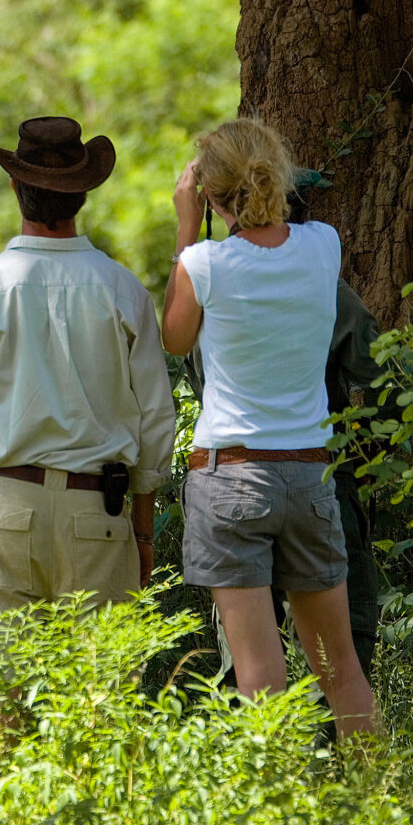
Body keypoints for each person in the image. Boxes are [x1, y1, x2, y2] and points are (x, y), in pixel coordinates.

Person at [0, 116, 175, 749]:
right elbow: (155, 419)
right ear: (84, 195)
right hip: (100, 509)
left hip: (5, 505)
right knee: (101, 701)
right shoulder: (123, 290)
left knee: (6, 698)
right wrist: (143, 529)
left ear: (18, 192)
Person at [162, 117, 378, 739]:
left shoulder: (202, 263)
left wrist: (184, 227)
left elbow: (176, 341)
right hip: (310, 473)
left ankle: (276, 814)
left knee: (260, 671)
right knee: (340, 670)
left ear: (209, 194)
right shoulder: (324, 245)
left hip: (230, 477)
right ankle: (374, 805)